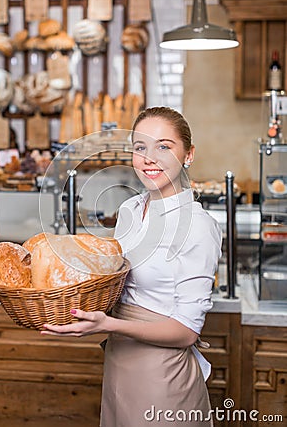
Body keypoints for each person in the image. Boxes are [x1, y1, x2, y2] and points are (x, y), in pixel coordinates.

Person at [41, 106, 222, 426]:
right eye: (140, 147)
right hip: (118, 363)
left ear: (188, 155)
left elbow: (184, 332)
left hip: (162, 377)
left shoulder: (197, 225)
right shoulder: (129, 209)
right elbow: (119, 286)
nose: (149, 158)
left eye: (164, 146)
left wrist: (107, 325)